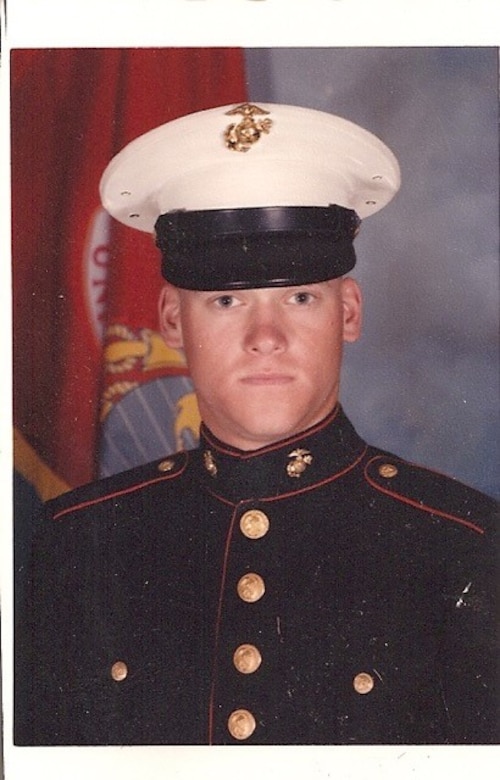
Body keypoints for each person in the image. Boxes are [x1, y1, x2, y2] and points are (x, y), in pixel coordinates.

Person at [15, 102, 498, 745]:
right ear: (171, 320)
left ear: (348, 313)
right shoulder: (71, 548)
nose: (265, 337)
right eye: (226, 300)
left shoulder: (469, 550)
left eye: (300, 297)